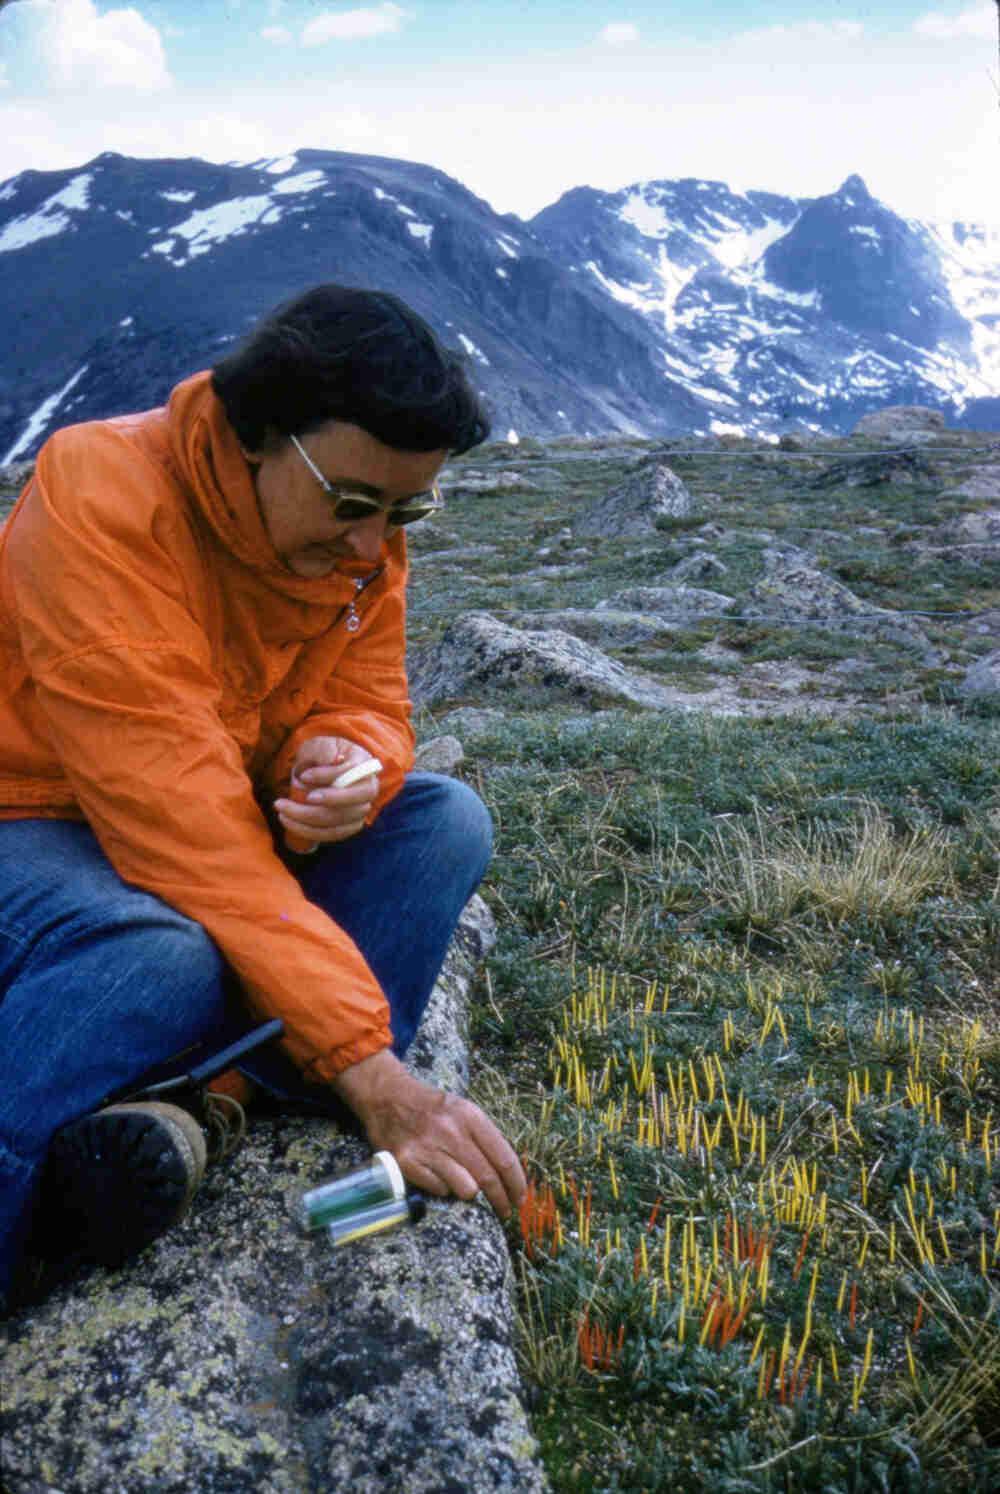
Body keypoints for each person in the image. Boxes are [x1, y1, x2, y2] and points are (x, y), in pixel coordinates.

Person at [0, 283, 526, 1311]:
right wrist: (375, 1075)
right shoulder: (101, 489)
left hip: (193, 822)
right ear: (257, 435)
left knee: (439, 820)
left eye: (409, 509)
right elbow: (182, 828)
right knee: (155, 955)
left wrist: (345, 758)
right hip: (32, 816)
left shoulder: (357, 533)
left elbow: (372, 698)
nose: (376, 544)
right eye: (354, 505)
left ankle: (209, 1101)